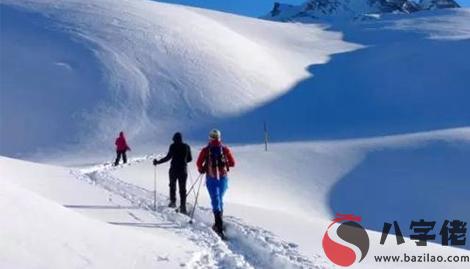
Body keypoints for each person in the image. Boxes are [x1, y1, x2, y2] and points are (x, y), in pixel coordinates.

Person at [196, 129, 235, 239]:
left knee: (215, 199)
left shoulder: (205, 150)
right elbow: (232, 163)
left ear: (210, 137)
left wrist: (202, 169)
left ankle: (218, 225)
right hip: (223, 178)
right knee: (219, 199)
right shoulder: (225, 149)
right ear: (219, 137)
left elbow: (199, 163)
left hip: (211, 177)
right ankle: (219, 223)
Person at [153, 132, 192, 214]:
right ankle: (183, 207)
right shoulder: (186, 146)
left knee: (172, 185)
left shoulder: (173, 146)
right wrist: (184, 161)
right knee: (183, 189)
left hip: (174, 169)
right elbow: (190, 159)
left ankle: (173, 202)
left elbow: (168, 157)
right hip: (183, 170)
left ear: (174, 139)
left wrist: (157, 162)